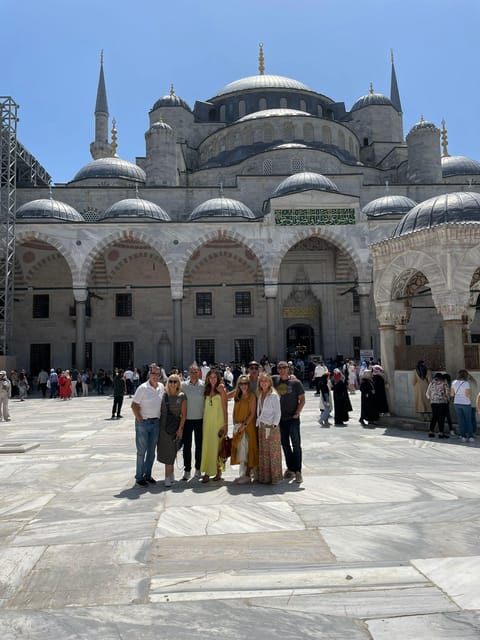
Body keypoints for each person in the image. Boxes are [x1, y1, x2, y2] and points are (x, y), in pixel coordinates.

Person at [131, 363, 165, 487]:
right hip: (143, 423)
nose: (156, 376)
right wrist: (140, 419)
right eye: (153, 374)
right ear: (149, 374)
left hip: (156, 423)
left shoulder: (161, 387)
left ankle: (147, 475)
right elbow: (134, 405)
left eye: (158, 374)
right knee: (141, 451)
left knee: (151, 451)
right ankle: (139, 477)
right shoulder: (142, 388)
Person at [272, 360, 305, 484]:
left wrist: (297, 413)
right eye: (280, 368)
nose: (282, 370)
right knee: (285, 445)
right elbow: (262, 379)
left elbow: (302, 400)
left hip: (293, 419)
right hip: (280, 419)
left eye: (284, 367)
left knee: (296, 445)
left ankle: (298, 471)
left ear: (289, 369)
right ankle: (290, 468)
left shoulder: (295, 382)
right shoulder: (274, 381)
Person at [157, 374, 186, 487]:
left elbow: (184, 415)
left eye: (175, 381)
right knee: (166, 453)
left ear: (179, 383)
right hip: (163, 428)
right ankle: (170, 475)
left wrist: (180, 429)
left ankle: (168, 476)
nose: (173, 384)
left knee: (172, 452)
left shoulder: (182, 396)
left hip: (175, 428)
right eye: (171, 381)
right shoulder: (163, 395)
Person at [200, 369, 228, 483]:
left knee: (219, 449)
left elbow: (225, 408)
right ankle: (207, 472)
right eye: (210, 377)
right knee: (207, 447)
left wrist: (225, 425)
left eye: (215, 377)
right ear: (207, 378)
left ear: (218, 379)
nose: (212, 380)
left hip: (218, 423)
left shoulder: (221, 389)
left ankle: (219, 472)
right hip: (207, 424)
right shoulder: (206, 390)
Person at [231, 374, 258, 483]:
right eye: (241, 384)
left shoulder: (251, 396)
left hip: (248, 426)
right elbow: (234, 410)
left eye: (245, 383)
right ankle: (243, 474)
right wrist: (234, 423)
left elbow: (252, 413)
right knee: (241, 451)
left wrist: (244, 425)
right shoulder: (237, 396)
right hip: (238, 426)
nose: (243, 386)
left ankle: (247, 475)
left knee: (248, 449)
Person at [256, 373, 282, 484]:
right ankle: (265, 477)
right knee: (264, 452)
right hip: (262, 426)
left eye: (266, 380)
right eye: (261, 381)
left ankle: (275, 477)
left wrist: (274, 426)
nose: (263, 383)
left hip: (271, 426)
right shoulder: (260, 394)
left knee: (273, 453)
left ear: (270, 382)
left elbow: (278, 412)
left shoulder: (274, 395)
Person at [180, 364, 205, 480]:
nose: (194, 374)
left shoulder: (204, 385)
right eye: (192, 372)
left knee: (199, 446)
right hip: (187, 420)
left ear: (199, 372)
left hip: (200, 420)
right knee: (187, 446)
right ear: (188, 373)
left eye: (196, 372)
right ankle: (187, 469)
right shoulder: (183, 385)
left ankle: (198, 468)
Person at [451, 369, 473, 443]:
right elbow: (468, 395)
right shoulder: (466, 383)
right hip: (466, 403)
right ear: (466, 375)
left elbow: (452, 394)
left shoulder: (453, 382)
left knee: (461, 420)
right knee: (468, 420)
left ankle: (463, 436)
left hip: (457, 402)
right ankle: (470, 436)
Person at [426, 372, 450, 438]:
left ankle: (431, 431)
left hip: (433, 402)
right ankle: (441, 433)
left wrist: (431, 398)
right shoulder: (444, 382)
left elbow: (427, 393)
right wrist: (448, 399)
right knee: (441, 417)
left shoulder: (432, 383)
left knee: (434, 417)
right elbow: (447, 392)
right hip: (442, 402)